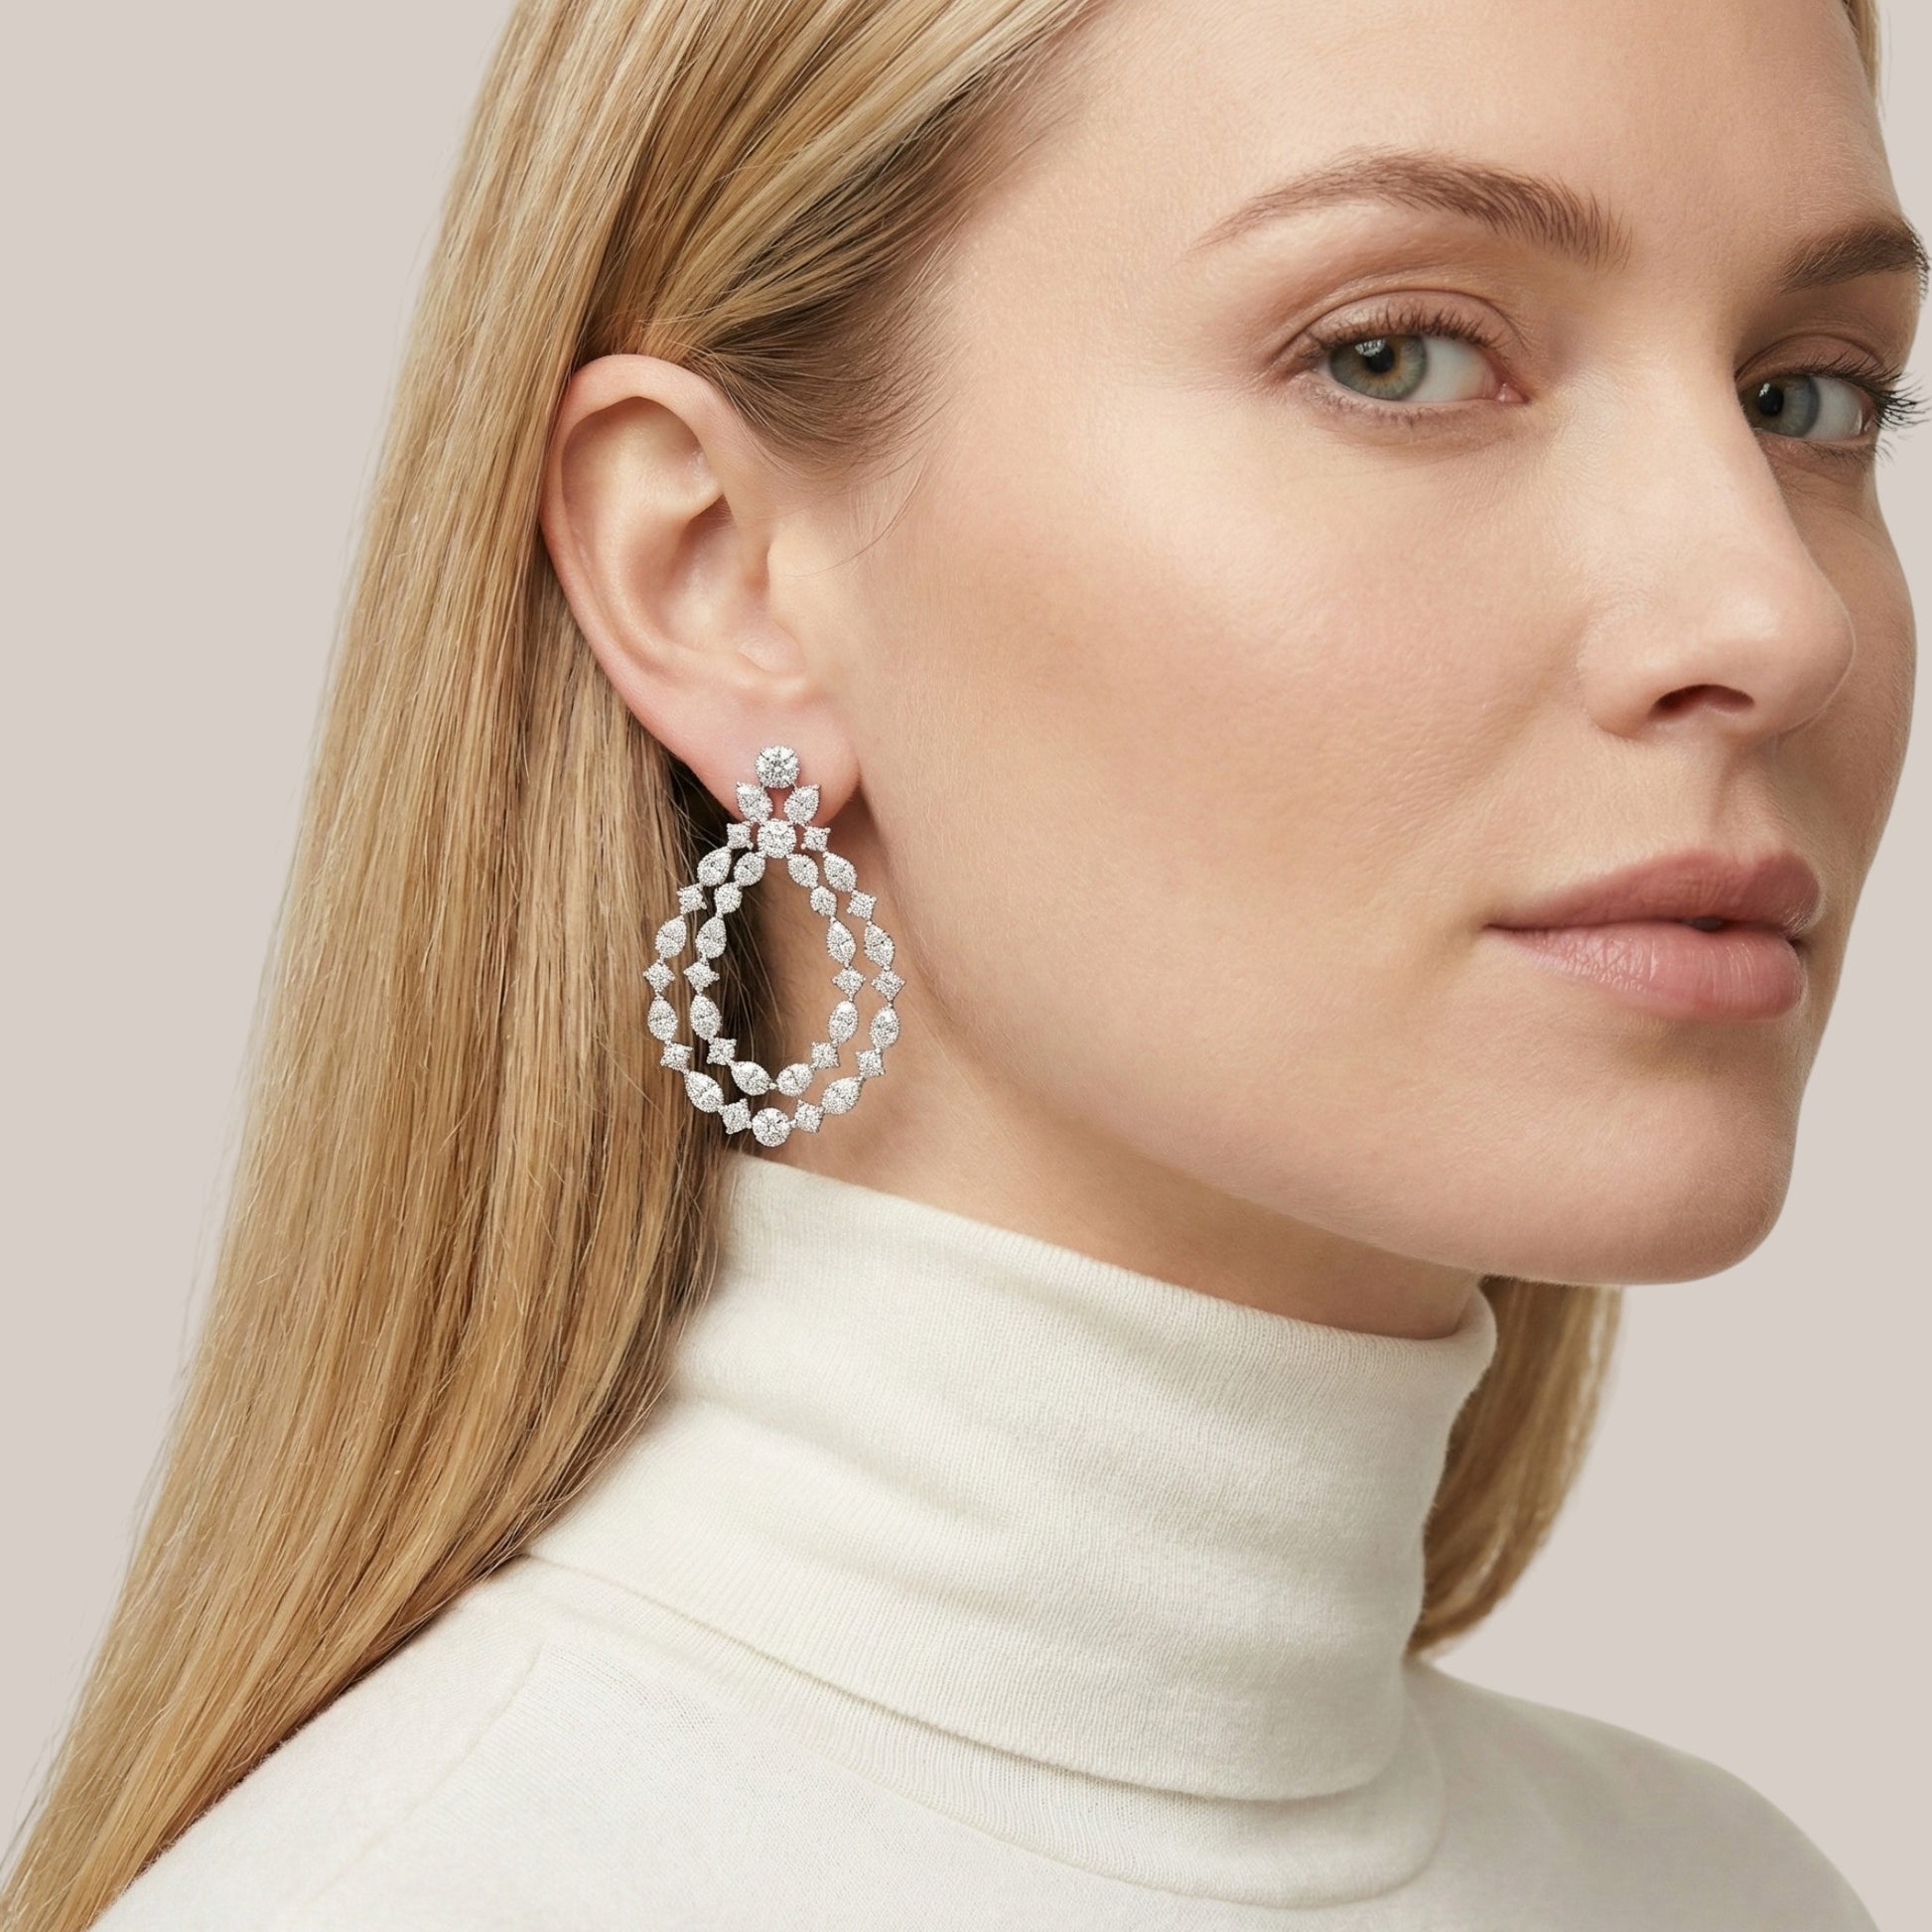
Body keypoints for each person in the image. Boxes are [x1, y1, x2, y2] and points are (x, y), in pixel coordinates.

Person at [5, 0, 1918, 1925]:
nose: (1772, 615)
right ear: (715, 574)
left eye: (1808, 397)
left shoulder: (1730, 1891)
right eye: (1393, 354)